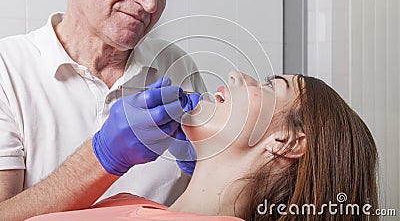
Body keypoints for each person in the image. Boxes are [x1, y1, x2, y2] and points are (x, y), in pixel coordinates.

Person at [0, 0, 207, 220]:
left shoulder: (176, 66)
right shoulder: (7, 70)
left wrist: (203, 169)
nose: (150, 1)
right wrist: (102, 158)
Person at [27, 71, 379, 220]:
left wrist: (102, 157)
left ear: (286, 142)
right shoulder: (128, 203)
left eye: (271, 87)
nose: (235, 76)